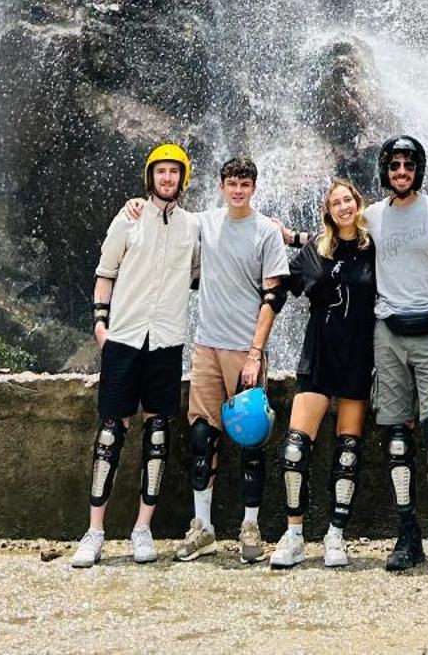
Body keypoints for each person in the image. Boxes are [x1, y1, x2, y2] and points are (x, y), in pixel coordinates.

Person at [115, 155, 290, 564]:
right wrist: (134, 207)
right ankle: (203, 528)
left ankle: (250, 526)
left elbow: (273, 297)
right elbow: (165, 222)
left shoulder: (265, 231)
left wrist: (255, 353)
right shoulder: (205, 223)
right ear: (221, 186)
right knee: (200, 438)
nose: (238, 190)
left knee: (251, 438)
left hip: (244, 350)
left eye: (245, 184)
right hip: (206, 346)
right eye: (231, 183)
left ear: (254, 187)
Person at [71, 142, 199, 570]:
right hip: (124, 337)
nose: (167, 179)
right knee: (111, 430)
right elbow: (105, 273)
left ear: (183, 179)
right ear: (151, 178)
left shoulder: (192, 227)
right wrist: (100, 324)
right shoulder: (128, 219)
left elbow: (203, 270)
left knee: (158, 430)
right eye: (160, 172)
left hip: (166, 339)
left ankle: (143, 529)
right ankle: (95, 531)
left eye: (174, 172)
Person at [363, 134, 428, 575]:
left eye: (408, 166)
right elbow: (333, 232)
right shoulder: (371, 215)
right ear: (385, 171)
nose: (400, 173)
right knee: (396, 434)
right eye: (394, 166)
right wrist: (282, 233)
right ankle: (407, 534)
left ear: (418, 170)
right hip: (387, 332)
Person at [267, 177, 377, 570]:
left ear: (359, 203)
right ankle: (294, 534)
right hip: (318, 354)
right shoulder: (315, 250)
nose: (344, 207)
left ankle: (336, 535)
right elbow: (277, 280)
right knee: (295, 446)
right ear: (328, 211)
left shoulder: (373, 246)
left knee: (348, 451)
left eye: (348, 200)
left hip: (358, 358)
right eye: (336, 203)